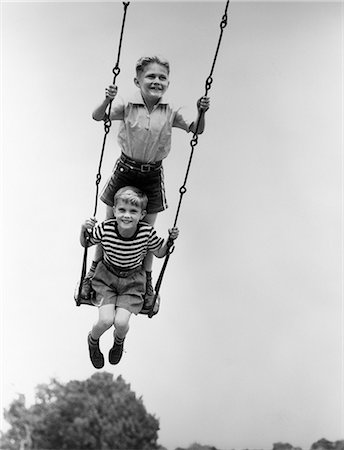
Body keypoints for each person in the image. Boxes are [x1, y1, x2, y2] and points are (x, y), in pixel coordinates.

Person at [81, 55, 209, 307]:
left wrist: (200, 111)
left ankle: (147, 281)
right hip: (125, 170)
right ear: (137, 81)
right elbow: (98, 116)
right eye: (151, 76)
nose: (157, 81)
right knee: (109, 225)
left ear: (168, 83)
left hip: (152, 174)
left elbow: (197, 129)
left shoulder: (170, 113)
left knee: (147, 231)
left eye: (162, 77)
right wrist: (107, 98)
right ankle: (92, 273)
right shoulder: (127, 107)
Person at [80, 186, 179, 368]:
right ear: (114, 211)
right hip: (106, 279)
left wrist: (169, 240)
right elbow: (86, 243)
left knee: (121, 322)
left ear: (142, 215)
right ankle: (93, 341)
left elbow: (159, 252)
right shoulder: (105, 229)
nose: (127, 215)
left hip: (132, 283)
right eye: (122, 210)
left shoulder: (146, 233)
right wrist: (83, 229)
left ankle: (119, 342)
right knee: (105, 320)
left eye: (133, 211)